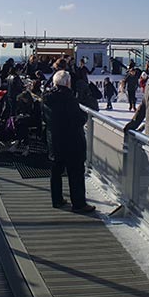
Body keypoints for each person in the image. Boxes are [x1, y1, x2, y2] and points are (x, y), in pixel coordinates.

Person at [43, 70, 96, 213]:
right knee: (76, 173)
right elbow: (78, 119)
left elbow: (45, 118)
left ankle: (57, 199)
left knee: (56, 172)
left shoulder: (46, 98)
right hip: (72, 142)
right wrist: (84, 117)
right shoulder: (68, 98)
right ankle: (79, 203)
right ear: (67, 83)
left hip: (54, 140)